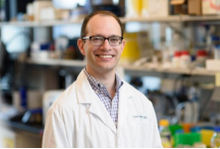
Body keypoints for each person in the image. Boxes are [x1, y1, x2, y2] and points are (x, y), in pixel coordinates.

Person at [42, 10, 162, 148]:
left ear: (122, 46)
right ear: (82, 46)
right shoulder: (61, 110)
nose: (106, 47)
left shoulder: (143, 104)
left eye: (114, 39)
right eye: (97, 39)